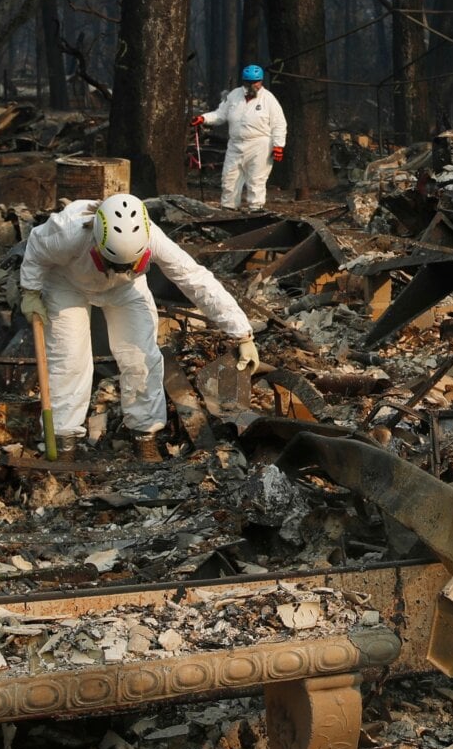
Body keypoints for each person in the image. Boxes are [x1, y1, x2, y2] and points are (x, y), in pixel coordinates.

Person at [19, 194, 258, 458]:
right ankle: (63, 440)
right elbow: (36, 250)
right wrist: (30, 290)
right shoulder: (68, 232)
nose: (119, 268)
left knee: (141, 357)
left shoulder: (153, 239)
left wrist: (242, 334)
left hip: (126, 288)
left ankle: (145, 435)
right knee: (69, 359)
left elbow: (195, 279)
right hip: (67, 283)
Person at [195, 65, 287, 210]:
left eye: (255, 82)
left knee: (256, 180)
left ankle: (256, 210)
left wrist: (278, 145)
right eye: (248, 82)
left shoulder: (268, 99)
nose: (252, 85)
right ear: (243, 81)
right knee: (229, 178)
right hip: (235, 144)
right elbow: (220, 114)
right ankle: (228, 208)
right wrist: (204, 118)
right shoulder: (233, 96)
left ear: (261, 81)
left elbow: (279, 124)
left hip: (260, 144)